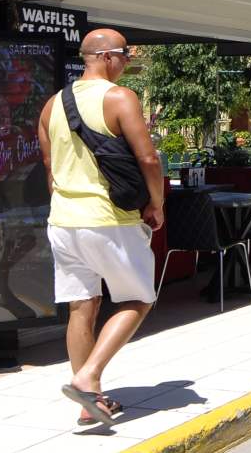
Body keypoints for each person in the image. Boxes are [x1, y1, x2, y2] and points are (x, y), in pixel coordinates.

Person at [38, 29, 165, 426]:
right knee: (139, 299)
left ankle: (88, 401)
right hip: (110, 220)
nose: (127, 62)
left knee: (82, 306)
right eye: (126, 55)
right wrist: (156, 204)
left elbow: (50, 167)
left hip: (63, 220)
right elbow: (148, 160)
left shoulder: (52, 105)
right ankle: (88, 376)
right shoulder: (120, 98)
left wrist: (66, 204)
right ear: (107, 57)